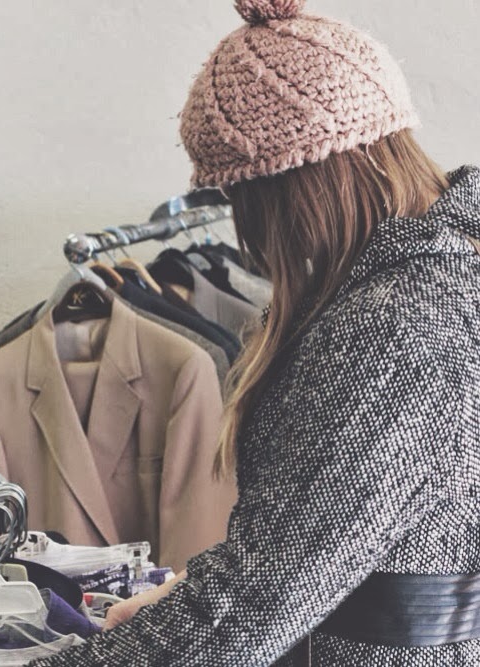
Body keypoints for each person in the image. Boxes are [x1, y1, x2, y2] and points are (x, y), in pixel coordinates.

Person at [31, 0, 480, 664]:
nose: (254, 236)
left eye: (246, 203)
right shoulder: (455, 268)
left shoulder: (393, 327)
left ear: (293, 188)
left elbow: (244, 613)